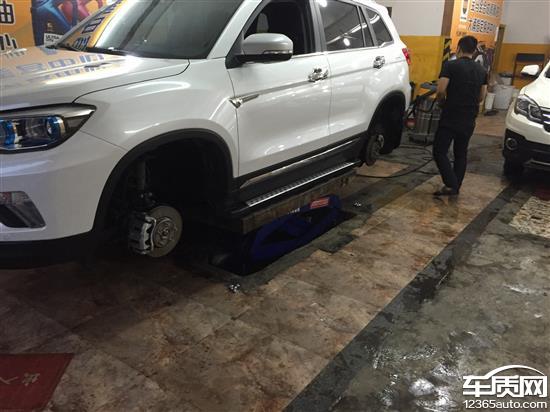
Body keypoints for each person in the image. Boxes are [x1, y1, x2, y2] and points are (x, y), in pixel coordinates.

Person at [432, 35, 488, 196]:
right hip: (469, 117)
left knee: (439, 151)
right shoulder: (482, 71)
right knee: (460, 152)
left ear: (459, 48)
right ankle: (455, 186)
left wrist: (441, 103)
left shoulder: (450, 65)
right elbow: (482, 96)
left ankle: (451, 183)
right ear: (474, 50)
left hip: (451, 115)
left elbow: (441, 90)